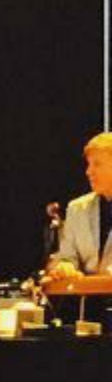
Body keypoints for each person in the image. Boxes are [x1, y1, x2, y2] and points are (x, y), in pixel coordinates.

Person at [45, 131, 112, 329]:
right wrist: (65, 267)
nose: (88, 172)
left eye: (97, 164)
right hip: (88, 312)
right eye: (88, 164)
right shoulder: (77, 208)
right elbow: (67, 257)